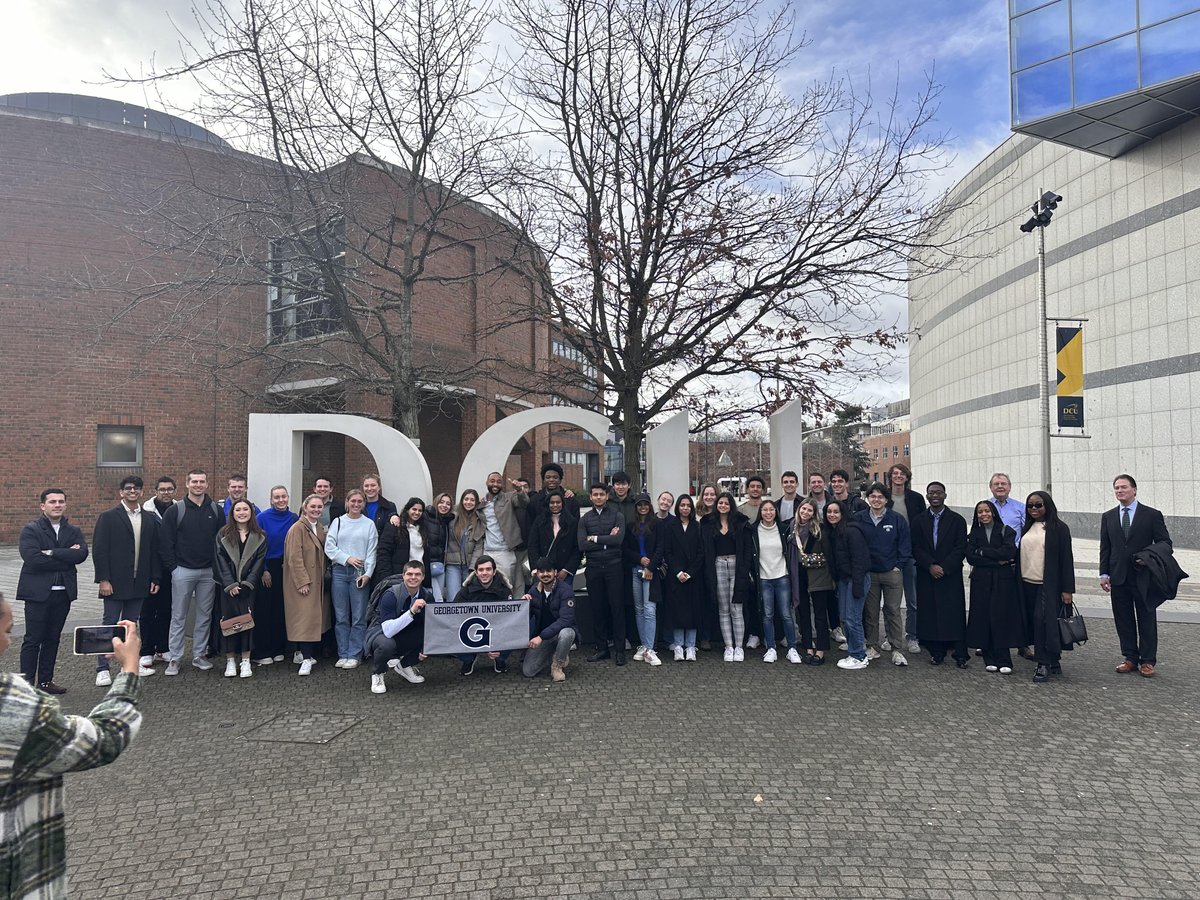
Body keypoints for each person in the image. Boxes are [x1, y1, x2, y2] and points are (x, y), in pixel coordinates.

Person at [0, 596, 143, 900]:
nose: (9, 643)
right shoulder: (11, 704)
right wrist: (129, 669)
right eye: (8, 631)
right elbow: (105, 738)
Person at [16, 489, 89, 694]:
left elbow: (82, 555)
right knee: (33, 639)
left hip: (63, 593)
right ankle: (27, 686)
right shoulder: (31, 530)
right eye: (52, 502)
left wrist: (52, 553)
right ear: (43, 506)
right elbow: (33, 559)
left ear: (65, 505)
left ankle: (46, 682)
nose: (57, 505)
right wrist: (66, 557)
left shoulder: (73, 530)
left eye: (61, 501)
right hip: (37, 594)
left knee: (53, 638)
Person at [1100, 474, 1172, 678]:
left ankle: (1148, 661)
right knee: (1123, 619)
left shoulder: (1151, 515)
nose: (1119, 491)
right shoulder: (1108, 516)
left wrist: (1148, 557)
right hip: (1118, 577)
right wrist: (1104, 573)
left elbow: (1165, 543)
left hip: (1143, 577)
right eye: (1116, 488)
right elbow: (1106, 548)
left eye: (1123, 487)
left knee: (1146, 618)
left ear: (1134, 490)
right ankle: (1130, 657)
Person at [91, 476, 160, 684]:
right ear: (121, 492)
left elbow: (153, 551)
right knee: (110, 624)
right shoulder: (108, 517)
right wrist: (103, 579)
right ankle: (102, 668)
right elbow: (99, 550)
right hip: (114, 582)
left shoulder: (149, 518)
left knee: (132, 625)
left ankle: (130, 664)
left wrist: (154, 577)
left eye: (137, 488)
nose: (133, 491)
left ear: (141, 492)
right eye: (128, 488)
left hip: (139, 581)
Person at [160, 468, 225, 676]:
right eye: (194, 481)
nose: (198, 485)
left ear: (207, 484)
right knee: (178, 616)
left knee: (204, 616)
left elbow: (221, 542)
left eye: (202, 482)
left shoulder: (216, 510)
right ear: (187, 484)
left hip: (208, 572)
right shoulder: (175, 510)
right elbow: (166, 542)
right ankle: (175, 657)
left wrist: (217, 568)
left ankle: (199, 655)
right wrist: (173, 568)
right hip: (183, 571)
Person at [1017, 491, 1076, 683]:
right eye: (1030, 505)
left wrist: (1067, 589)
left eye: (1038, 505)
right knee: (1034, 623)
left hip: (1048, 585)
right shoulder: (1027, 527)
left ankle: (1043, 663)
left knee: (1042, 621)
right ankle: (1054, 659)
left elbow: (1067, 560)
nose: (1034, 509)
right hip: (1027, 583)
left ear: (1047, 506)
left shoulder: (1059, 528)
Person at [911, 482, 969, 668]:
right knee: (930, 612)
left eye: (938, 492)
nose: (935, 495)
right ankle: (936, 651)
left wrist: (944, 567)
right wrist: (930, 565)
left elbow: (960, 547)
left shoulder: (957, 520)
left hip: (949, 573)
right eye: (931, 493)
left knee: (953, 612)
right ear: (927, 497)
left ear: (945, 495)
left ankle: (960, 653)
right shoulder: (919, 520)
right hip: (926, 572)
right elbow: (915, 547)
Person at [857, 482, 913, 667]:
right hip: (870, 573)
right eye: (873, 496)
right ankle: (872, 646)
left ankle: (897, 649)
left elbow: (905, 544)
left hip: (892, 573)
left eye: (880, 497)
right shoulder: (859, 518)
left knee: (893, 611)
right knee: (871, 613)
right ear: (868, 498)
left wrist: (899, 565)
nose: (876, 500)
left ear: (886, 500)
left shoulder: (896, 519)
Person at [964, 501, 1022, 674]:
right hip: (981, 580)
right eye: (980, 512)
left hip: (1002, 581)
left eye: (987, 510)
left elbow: (1010, 553)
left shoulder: (1006, 531)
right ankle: (989, 657)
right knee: (983, 616)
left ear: (993, 512)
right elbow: (970, 557)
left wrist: (983, 551)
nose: (984, 514)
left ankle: (1004, 659)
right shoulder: (974, 533)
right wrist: (996, 559)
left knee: (1001, 616)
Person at [213, 499, 267, 679]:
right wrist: (231, 585)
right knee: (229, 622)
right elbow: (219, 561)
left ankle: (245, 660)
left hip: (248, 588)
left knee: (247, 622)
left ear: (251, 512)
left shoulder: (260, 536)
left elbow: (259, 563)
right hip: (228, 588)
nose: (242, 512)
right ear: (232, 513)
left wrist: (247, 584)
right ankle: (230, 661)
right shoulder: (223, 534)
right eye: (238, 509)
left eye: (245, 509)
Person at [325, 488, 378, 668]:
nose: (356, 504)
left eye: (359, 501)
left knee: (358, 616)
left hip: (359, 574)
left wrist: (367, 574)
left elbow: (372, 552)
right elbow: (329, 546)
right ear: (347, 502)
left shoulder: (369, 524)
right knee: (341, 616)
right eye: (352, 501)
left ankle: (355, 654)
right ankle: (343, 653)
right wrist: (346, 558)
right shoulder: (338, 522)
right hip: (340, 571)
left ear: (363, 504)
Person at [579, 481, 628, 665]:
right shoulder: (584, 519)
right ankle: (602, 649)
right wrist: (608, 539)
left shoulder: (617, 516)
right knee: (597, 608)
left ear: (607, 496)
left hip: (614, 567)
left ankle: (620, 650)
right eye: (595, 494)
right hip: (593, 568)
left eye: (601, 494)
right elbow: (582, 544)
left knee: (617, 608)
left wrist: (596, 538)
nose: (598, 497)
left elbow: (619, 540)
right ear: (590, 497)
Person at [364, 561, 428, 693]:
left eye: (417, 574)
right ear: (403, 576)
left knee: (432, 637)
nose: (413, 577)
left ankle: (405, 665)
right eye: (409, 574)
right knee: (386, 645)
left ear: (423, 577)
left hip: (405, 632)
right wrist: (411, 611)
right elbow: (388, 631)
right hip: (380, 632)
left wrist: (427, 647)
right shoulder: (390, 595)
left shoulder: (426, 595)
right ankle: (378, 674)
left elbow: (432, 624)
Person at [703, 492, 753, 662]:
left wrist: (745, 569)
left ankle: (739, 646)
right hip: (718, 565)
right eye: (720, 503)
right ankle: (728, 646)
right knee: (723, 608)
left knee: (736, 608)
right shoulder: (709, 523)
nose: (723, 505)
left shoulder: (740, 522)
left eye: (726, 503)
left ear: (731, 505)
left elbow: (747, 549)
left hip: (736, 565)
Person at [283, 494, 329, 675]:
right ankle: (306, 658)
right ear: (305, 508)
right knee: (304, 619)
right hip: (304, 582)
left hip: (317, 581)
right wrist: (302, 581)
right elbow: (294, 557)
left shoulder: (319, 528)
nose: (316, 510)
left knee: (310, 619)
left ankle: (304, 654)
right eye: (313, 507)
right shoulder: (297, 528)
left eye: (319, 507)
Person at [751, 499, 801, 664]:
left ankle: (792, 648)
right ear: (760, 512)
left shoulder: (783, 529)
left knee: (786, 614)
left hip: (782, 576)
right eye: (765, 510)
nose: (768, 513)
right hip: (764, 578)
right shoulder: (753, 530)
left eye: (771, 510)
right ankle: (770, 647)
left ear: (776, 512)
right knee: (767, 615)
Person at [253, 485, 298, 666]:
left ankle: (279, 649)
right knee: (265, 610)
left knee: (281, 607)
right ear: (271, 500)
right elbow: (256, 546)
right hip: (266, 567)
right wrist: (263, 569)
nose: (280, 500)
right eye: (276, 497)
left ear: (288, 498)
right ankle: (263, 650)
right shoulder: (261, 518)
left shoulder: (294, 518)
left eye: (283, 497)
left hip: (285, 566)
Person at [884, 463, 925, 655]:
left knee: (913, 599)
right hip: (889, 555)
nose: (898, 476)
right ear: (890, 477)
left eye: (902, 474)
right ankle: (890, 637)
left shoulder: (916, 499)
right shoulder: (884, 497)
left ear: (907, 477)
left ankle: (912, 636)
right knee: (890, 601)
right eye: (895, 474)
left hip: (910, 555)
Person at [825, 499, 872, 669]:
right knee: (845, 617)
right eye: (829, 512)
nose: (832, 515)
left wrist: (857, 585)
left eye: (836, 512)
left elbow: (860, 559)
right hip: (845, 580)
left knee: (853, 618)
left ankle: (859, 655)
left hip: (856, 579)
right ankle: (853, 652)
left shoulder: (852, 531)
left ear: (843, 513)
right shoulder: (834, 532)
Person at [452, 555, 514, 675]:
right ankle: (469, 659)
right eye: (481, 570)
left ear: (494, 571)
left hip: (497, 632)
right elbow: (454, 615)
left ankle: (499, 660)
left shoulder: (504, 590)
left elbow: (510, 619)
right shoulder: (465, 590)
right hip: (471, 633)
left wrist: (495, 643)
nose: (484, 573)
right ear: (475, 572)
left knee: (511, 635)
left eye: (488, 569)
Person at [138, 475, 176, 666]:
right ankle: (146, 650)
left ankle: (163, 648)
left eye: (169, 489)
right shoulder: (146, 512)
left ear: (175, 491)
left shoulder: (179, 510)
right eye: (162, 489)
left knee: (166, 610)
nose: (166, 493)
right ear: (156, 491)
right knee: (146, 611)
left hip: (170, 569)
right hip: (149, 569)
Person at [521, 557, 578, 681]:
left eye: (549, 571)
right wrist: (524, 605)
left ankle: (557, 665)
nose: (545, 574)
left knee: (567, 633)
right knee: (528, 671)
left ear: (555, 572)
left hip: (557, 634)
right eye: (541, 571)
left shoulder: (566, 590)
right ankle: (556, 653)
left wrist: (540, 637)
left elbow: (565, 620)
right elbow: (525, 618)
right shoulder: (533, 590)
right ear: (537, 574)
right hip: (544, 637)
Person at [790, 498, 832, 665]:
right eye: (803, 509)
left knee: (820, 615)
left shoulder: (819, 530)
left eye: (809, 510)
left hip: (818, 576)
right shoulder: (791, 527)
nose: (805, 512)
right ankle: (808, 647)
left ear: (814, 513)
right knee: (804, 614)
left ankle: (821, 650)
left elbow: (828, 554)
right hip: (798, 574)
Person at [624, 494, 664, 666]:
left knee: (649, 609)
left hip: (651, 572)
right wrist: (640, 560)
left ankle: (649, 648)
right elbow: (625, 549)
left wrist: (650, 566)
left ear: (650, 506)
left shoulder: (657, 525)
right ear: (636, 507)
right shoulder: (630, 526)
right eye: (640, 505)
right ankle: (643, 645)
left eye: (646, 504)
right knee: (639, 609)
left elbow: (661, 548)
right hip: (635, 569)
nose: (643, 507)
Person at [663, 495, 705, 660]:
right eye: (682, 505)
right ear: (678, 507)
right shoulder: (670, 526)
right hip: (676, 576)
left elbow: (701, 552)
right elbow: (668, 552)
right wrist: (678, 571)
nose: (685, 508)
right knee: (678, 612)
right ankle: (679, 646)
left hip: (693, 576)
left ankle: (691, 646)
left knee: (693, 612)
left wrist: (690, 572)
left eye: (688, 505)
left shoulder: (697, 526)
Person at [480, 472, 529, 595]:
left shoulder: (509, 497)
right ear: (487, 482)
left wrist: (519, 490)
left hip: (505, 551)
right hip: (486, 551)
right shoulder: (481, 503)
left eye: (498, 481)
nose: (495, 484)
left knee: (508, 587)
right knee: (488, 588)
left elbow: (524, 502)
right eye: (492, 481)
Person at [527, 490, 581, 584]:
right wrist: (536, 569)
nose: (555, 505)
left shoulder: (572, 522)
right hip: (543, 572)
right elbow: (532, 546)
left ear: (563, 504)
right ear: (547, 504)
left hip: (564, 571)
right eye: (552, 502)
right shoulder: (539, 521)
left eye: (558, 502)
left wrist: (566, 570)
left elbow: (576, 548)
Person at [376, 497, 433, 582]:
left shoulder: (423, 529)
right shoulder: (395, 526)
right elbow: (383, 552)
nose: (417, 513)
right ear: (407, 510)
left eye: (420, 510)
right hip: (399, 576)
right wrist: (387, 576)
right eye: (414, 509)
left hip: (419, 575)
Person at [446, 489, 486, 600]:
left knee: (469, 597)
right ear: (461, 500)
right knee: (453, 597)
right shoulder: (452, 516)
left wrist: (473, 567)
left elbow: (479, 546)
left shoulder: (479, 520)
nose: (468, 502)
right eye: (466, 499)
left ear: (476, 502)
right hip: (453, 564)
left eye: (472, 500)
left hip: (469, 566)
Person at [527, 462, 581, 527]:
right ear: (543, 480)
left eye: (555, 477)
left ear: (560, 480)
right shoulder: (534, 500)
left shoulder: (571, 500)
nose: (551, 480)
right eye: (548, 477)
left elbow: (576, 525)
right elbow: (529, 525)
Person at [428, 492, 455, 601]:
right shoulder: (426, 515)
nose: (444, 506)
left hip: (440, 566)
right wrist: (393, 515)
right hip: (427, 566)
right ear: (436, 502)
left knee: (439, 598)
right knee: (437, 599)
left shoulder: (447, 521)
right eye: (441, 502)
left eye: (448, 504)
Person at [985, 473, 1025, 542]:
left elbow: (1026, 530)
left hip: (1014, 550)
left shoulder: (1021, 507)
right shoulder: (983, 507)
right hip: (990, 550)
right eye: (996, 484)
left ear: (1010, 487)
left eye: (1003, 484)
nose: (1000, 486)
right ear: (991, 488)